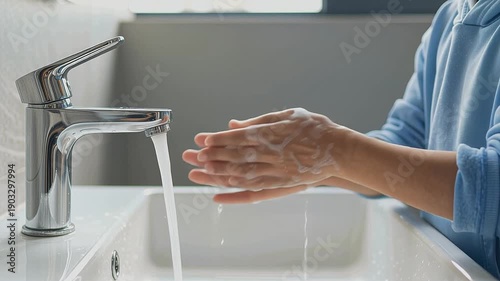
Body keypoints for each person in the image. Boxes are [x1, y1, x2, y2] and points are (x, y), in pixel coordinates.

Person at [183, 0, 500, 277]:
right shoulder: (448, 19)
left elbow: (494, 187)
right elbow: (404, 147)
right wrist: (318, 164)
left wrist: (336, 150)